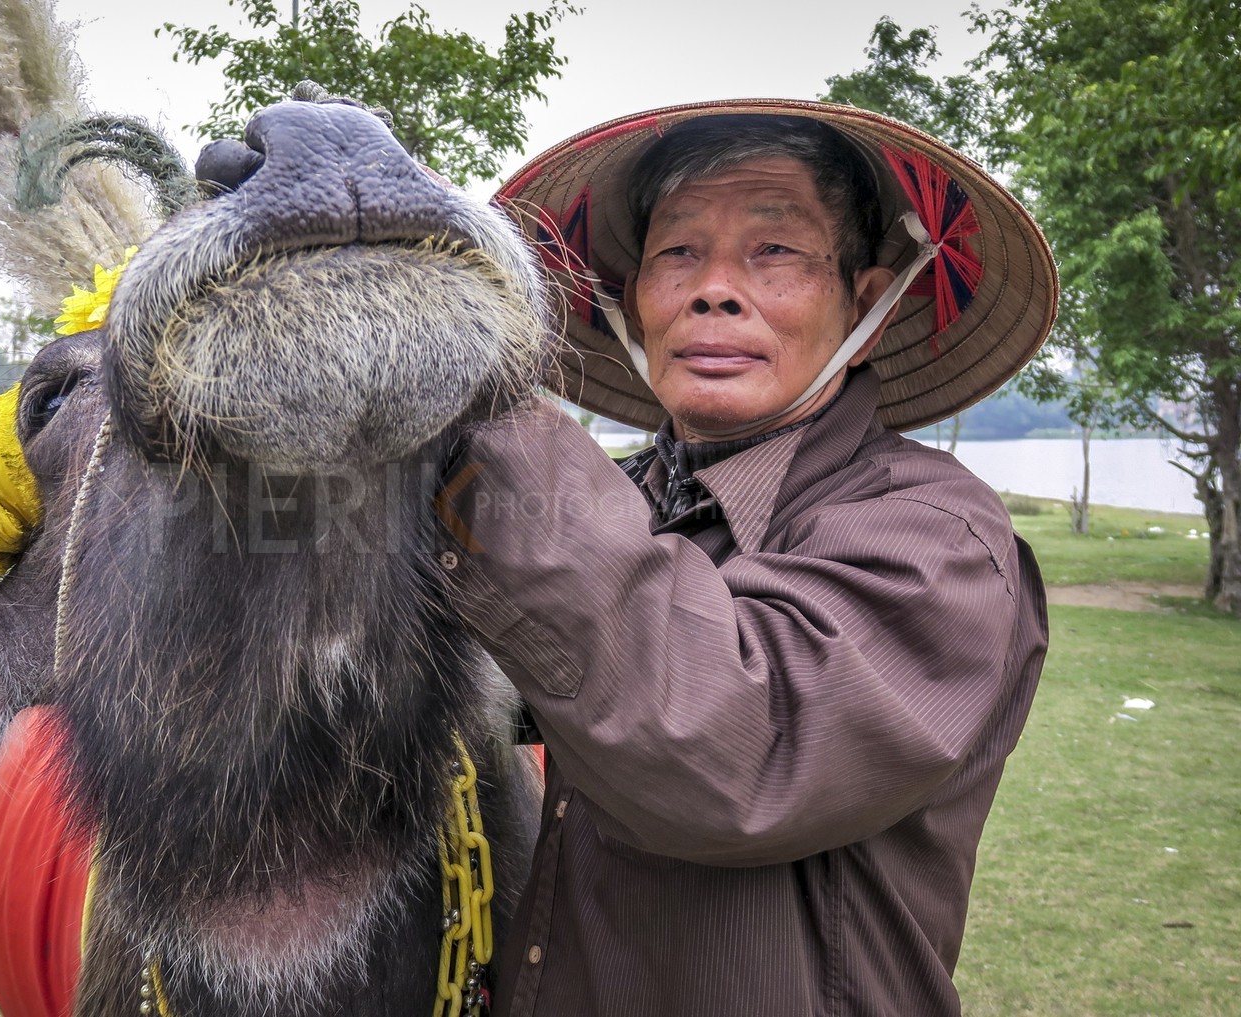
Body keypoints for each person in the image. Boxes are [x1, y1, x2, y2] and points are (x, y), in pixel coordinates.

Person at [433, 99, 1056, 1015]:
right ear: (630, 304)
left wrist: (473, 406)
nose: (715, 287)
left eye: (776, 252)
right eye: (677, 252)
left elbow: (734, 757)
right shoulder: (620, 501)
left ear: (869, 301)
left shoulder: (935, 533)